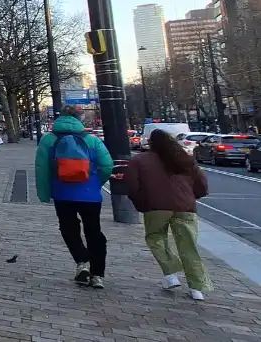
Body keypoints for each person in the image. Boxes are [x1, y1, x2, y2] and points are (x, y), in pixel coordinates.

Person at [125, 129, 212, 300]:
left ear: (150, 143)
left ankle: (170, 274)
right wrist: (192, 196)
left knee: (155, 238)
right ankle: (197, 288)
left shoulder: (139, 160)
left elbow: (132, 186)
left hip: (156, 206)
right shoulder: (185, 159)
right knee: (189, 246)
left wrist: (141, 203)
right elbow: (201, 182)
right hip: (185, 207)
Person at [35, 107, 114, 288]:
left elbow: (42, 169)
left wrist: (45, 193)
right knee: (94, 231)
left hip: (62, 193)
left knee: (68, 228)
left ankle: (82, 261)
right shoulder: (92, 140)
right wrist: (95, 184)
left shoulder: (48, 140)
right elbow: (107, 165)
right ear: (79, 119)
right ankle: (97, 274)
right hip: (90, 195)